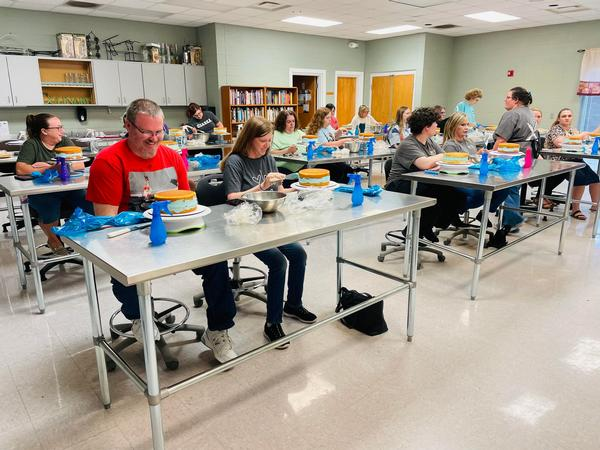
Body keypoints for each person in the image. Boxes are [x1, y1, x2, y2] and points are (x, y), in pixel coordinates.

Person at [86, 99, 238, 364]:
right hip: (131, 240)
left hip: (176, 234)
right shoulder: (108, 161)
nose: (154, 139)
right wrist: (146, 218)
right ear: (127, 125)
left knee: (216, 262)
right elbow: (105, 221)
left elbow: (186, 203)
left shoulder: (170, 156)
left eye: (159, 132)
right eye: (146, 132)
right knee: (125, 274)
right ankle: (138, 318)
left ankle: (217, 331)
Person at [221, 116, 317, 348]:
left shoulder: (268, 158)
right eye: (263, 140)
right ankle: (272, 322)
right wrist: (262, 186)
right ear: (250, 139)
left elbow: (279, 190)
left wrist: (299, 190)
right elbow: (232, 198)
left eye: (270, 140)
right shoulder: (236, 161)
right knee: (277, 262)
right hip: (245, 224)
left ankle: (293, 304)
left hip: (270, 221)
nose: (267, 145)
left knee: (298, 254)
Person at [16, 113, 92, 256]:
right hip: (42, 191)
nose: (62, 131)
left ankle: (77, 235)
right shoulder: (32, 144)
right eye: (58, 128)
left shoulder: (64, 141)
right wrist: (50, 168)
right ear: (44, 131)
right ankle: (54, 240)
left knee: (89, 201)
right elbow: (21, 168)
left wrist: (42, 167)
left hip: (69, 188)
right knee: (49, 208)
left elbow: (80, 164)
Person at [385, 107, 465, 242]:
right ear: (426, 127)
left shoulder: (429, 141)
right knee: (438, 193)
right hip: (398, 186)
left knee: (453, 193)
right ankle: (418, 230)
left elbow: (441, 158)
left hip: (421, 181)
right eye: (434, 123)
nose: (437, 125)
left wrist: (437, 160)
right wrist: (438, 159)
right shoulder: (408, 144)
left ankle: (425, 227)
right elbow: (425, 164)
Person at [442, 112, 509, 220]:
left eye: (467, 124)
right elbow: (457, 165)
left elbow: (472, 159)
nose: (466, 128)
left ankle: (484, 213)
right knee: (480, 192)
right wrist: (474, 159)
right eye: (462, 125)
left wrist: (480, 155)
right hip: (460, 180)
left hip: (474, 177)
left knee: (504, 188)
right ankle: (452, 212)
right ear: (454, 126)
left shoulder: (468, 141)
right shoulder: (450, 145)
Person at [492, 87, 537, 232]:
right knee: (514, 188)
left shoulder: (512, 114)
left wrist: (490, 155)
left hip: (513, 157)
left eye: (508, 97)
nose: (505, 100)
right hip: (528, 156)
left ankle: (513, 219)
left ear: (516, 100)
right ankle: (510, 221)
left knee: (506, 187)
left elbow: (501, 141)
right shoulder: (530, 114)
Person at [545, 108, 599, 220]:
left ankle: (595, 205)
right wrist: (582, 135)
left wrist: (586, 136)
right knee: (580, 179)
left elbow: (583, 141)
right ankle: (575, 209)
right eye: (564, 116)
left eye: (569, 116)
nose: (567, 118)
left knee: (595, 179)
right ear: (559, 119)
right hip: (560, 161)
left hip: (576, 159)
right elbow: (560, 143)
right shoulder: (556, 129)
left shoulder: (573, 130)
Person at [305, 107, 354, 183]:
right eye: (327, 118)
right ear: (320, 119)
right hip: (320, 161)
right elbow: (327, 144)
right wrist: (343, 140)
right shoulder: (318, 131)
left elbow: (332, 137)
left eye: (330, 117)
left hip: (329, 158)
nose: (330, 120)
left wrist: (339, 132)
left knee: (347, 169)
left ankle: (341, 187)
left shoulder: (327, 127)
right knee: (342, 169)